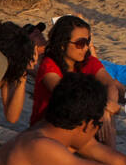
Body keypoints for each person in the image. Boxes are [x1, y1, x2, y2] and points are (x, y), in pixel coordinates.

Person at [31, 15, 121, 146]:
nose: (86, 48)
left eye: (88, 42)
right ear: (62, 44)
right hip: (50, 129)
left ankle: (111, 150)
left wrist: (109, 107)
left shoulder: (88, 61)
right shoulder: (49, 66)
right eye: (80, 43)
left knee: (106, 115)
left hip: (79, 125)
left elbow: (110, 84)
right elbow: (68, 97)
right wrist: (105, 107)